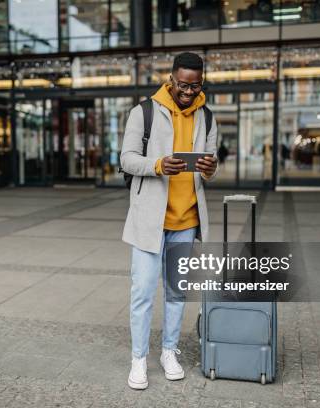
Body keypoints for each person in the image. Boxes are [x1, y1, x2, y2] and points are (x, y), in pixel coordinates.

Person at [120, 52, 218, 390]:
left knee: (177, 292)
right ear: (171, 79)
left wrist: (210, 168)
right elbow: (128, 159)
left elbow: (211, 163)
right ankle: (138, 359)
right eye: (183, 85)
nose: (189, 92)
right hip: (149, 220)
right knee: (143, 292)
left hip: (186, 219)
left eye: (195, 86)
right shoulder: (143, 112)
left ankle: (169, 351)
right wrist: (158, 165)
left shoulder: (206, 116)